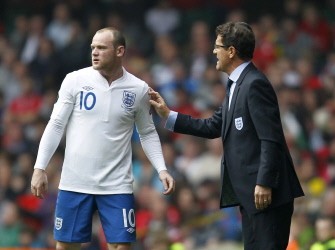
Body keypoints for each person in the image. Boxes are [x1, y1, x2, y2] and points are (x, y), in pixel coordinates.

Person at [149, 21, 304, 250]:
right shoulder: (235, 85)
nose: (213, 51)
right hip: (251, 197)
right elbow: (213, 126)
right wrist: (168, 114)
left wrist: (264, 182)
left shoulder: (254, 84)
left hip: (267, 195)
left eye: (218, 46)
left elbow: (271, 139)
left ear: (231, 51)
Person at [31, 27, 175, 250]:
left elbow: (147, 132)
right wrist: (40, 168)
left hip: (116, 184)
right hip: (75, 182)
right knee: (66, 246)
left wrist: (162, 169)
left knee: (120, 246)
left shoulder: (138, 89)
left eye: (101, 47)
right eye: (92, 48)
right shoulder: (75, 80)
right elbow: (56, 124)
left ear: (120, 51)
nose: (94, 52)